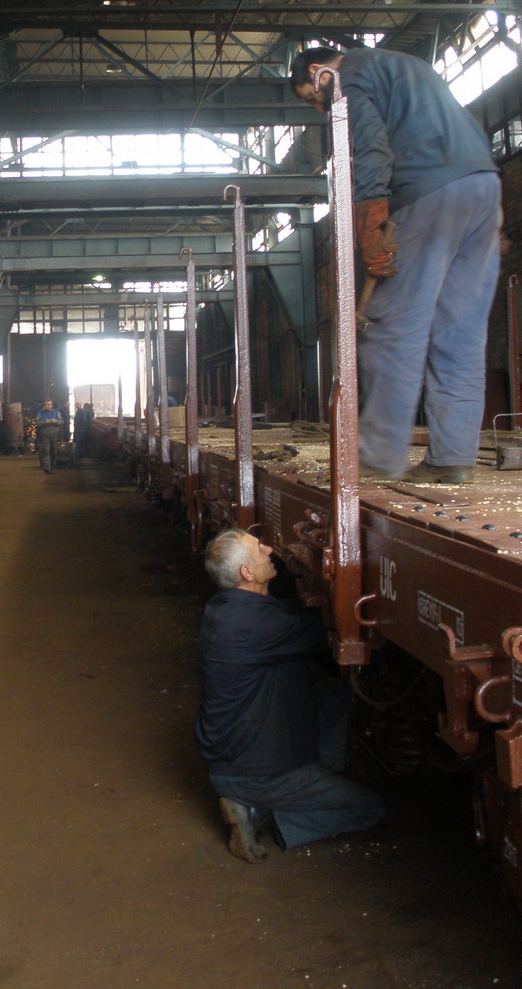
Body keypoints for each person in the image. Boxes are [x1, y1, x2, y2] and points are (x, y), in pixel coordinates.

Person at [291, 45, 501, 484]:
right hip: (483, 187)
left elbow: (370, 146)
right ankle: (451, 459)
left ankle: (378, 456)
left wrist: (370, 221)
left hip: (426, 192)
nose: (321, 108)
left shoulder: (350, 74)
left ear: (319, 72)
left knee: (392, 329)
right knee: (461, 335)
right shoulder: (408, 65)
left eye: (314, 97)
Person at [195, 527, 383, 863]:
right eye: (259, 549)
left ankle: (310, 776)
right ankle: (267, 814)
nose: (269, 550)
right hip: (256, 770)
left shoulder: (224, 607)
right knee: (368, 808)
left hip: (232, 752)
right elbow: (324, 630)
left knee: (333, 693)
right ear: (247, 572)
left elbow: (287, 613)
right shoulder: (254, 625)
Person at [35, 399, 62, 474]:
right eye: (46, 405)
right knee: (46, 451)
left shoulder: (56, 413)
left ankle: (52, 465)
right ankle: (47, 467)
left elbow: (61, 421)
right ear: (44, 405)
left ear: (51, 405)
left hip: (54, 435)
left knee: (53, 452)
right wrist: (45, 422)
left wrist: (56, 421)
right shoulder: (40, 413)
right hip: (45, 435)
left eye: (49, 404)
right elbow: (37, 423)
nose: (47, 406)